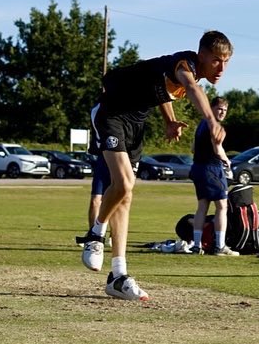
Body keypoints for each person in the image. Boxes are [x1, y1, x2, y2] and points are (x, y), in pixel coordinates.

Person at [77, 30, 233, 301]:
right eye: (216, 60)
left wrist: (169, 121)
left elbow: (162, 93)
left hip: (135, 124)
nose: (221, 68)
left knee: (125, 195)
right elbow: (192, 88)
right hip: (111, 113)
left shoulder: (186, 75)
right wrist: (211, 120)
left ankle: (118, 276)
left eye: (226, 62)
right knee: (124, 183)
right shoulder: (185, 65)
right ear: (202, 55)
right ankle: (95, 234)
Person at [189, 96, 238, 256]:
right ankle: (220, 246)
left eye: (225, 110)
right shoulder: (214, 125)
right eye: (219, 109)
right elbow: (217, 148)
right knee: (222, 206)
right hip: (212, 168)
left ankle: (197, 246)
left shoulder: (201, 124)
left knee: (202, 206)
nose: (222, 112)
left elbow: (193, 148)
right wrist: (227, 161)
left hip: (197, 167)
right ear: (211, 109)